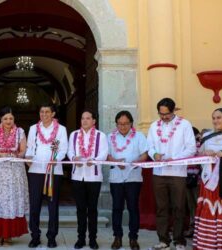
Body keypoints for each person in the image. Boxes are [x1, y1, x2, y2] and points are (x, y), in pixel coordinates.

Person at [147, 98, 196, 250]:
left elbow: (191, 148)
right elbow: (149, 146)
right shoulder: (154, 126)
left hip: (177, 173)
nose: (163, 117)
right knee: (161, 207)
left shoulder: (185, 125)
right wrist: (154, 154)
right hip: (159, 172)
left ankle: (179, 241)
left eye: (166, 114)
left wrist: (174, 159)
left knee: (179, 207)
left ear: (174, 111)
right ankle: (163, 240)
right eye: (161, 114)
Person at [0, 107, 29, 247]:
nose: (8, 121)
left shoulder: (20, 132)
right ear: (0, 120)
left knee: (12, 201)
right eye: (5, 119)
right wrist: (1, 155)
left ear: (14, 119)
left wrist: (15, 155)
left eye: (11, 118)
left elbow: (23, 151)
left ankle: (9, 235)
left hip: (15, 172)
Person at [25, 104, 68, 248]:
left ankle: (52, 236)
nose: (44, 114)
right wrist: (28, 159)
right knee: (35, 204)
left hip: (54, 171)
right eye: (41, 111)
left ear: (53, 113)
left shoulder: (61, 129)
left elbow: (63, 148)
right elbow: (30, 147)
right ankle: (35, 235)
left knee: (52, 205)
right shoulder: (33, 129)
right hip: (36, 170)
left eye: (47, 112)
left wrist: (56, 159)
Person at [193, 108, 222, 249]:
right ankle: (209, 243)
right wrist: (205, 153)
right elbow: (198, 156)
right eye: (213, 118)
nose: (216, 121)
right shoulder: (207, 136)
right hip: (210, 179)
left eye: (219, 117)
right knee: (211, 208)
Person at [107, 111, 148, 250]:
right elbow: (106, 155)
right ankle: (117, 237)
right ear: (116, 124)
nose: (123, 127)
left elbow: (144, 154)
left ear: (131, 123)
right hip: (116, 177)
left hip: (133, 177)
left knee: (133, 208)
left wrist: (136, 162)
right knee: (117, 208)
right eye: (120, 124)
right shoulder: (110, 137)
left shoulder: (139, 136)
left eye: (125, 124)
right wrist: (115, 161)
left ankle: (133, 238)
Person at [67, 110, 108, 250]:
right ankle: (80, 239)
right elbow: (70, 151)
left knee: (92, 209)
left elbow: (104, 152)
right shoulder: (73, 135)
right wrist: (74, 158)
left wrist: (95, 160)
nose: (85, 121)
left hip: (94, 177)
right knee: (80, 209)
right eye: (83, 118)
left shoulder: (100, 136)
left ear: (94, 121)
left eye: (88, 118)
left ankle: (93, 239)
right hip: (78, 176)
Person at [184, 127, 201, 238]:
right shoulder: (184, 147)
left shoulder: (199, 146)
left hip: (198, 180)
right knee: (191, 206)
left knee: (198, 205)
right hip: (185, 178)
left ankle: (200, 228)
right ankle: (192, 227)